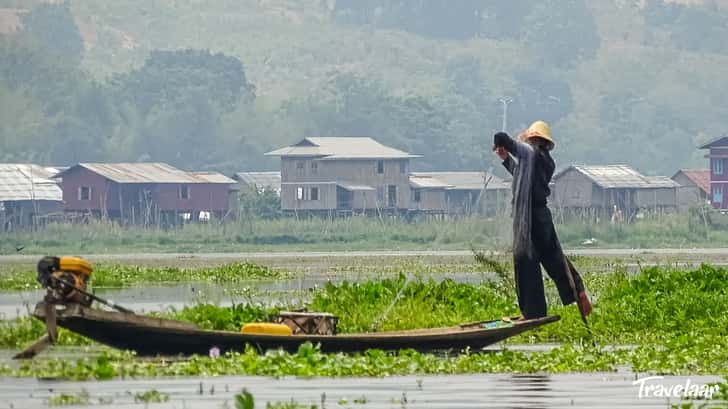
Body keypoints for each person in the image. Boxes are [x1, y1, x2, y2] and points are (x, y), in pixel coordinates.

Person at [492, 120, 592, 319]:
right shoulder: (545, 161)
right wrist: (506, 159)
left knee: (525, 260)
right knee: (554, 257)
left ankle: (533, 311)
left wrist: (501, 141)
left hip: (528, 219)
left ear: (534, 140)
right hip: (541, 216)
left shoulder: (532, 154)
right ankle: (577, 289)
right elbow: (521, 174)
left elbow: (510, 142)